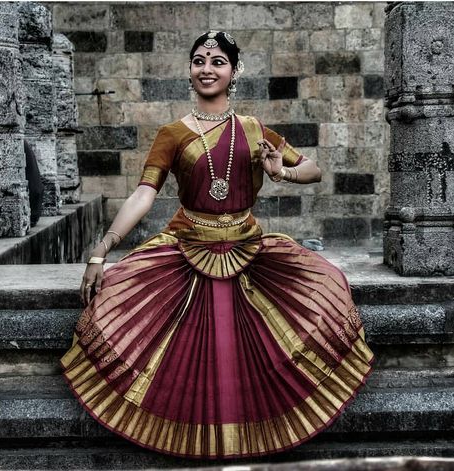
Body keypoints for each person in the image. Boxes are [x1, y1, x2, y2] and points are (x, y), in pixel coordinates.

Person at [60, 30, 375, 460]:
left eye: (217, 62)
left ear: (233, 71)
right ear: (189, 71)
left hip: (251, 251)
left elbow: (315, 170)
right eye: (199, 61)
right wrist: (103, 248)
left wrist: (280, 172)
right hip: (189, 248)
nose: (207, 69)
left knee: (326, 285)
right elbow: (143, 194)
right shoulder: (172, 134)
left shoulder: (253, 130)